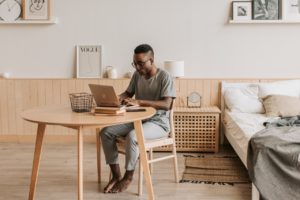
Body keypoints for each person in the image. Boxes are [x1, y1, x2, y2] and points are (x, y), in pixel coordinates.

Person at [100, 44, 176, 193]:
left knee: (133, 136)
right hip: (138, 120)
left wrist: (140, 101)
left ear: (151, 60)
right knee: (106, 132)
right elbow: (128, 93)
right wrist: (115, 98)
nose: (137, 67)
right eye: (134, 63)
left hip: (158, 123)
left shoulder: (164, 76)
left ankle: (128, 177)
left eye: (140, 63)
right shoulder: (137, 75)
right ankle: (116, 176)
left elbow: (167, 104)